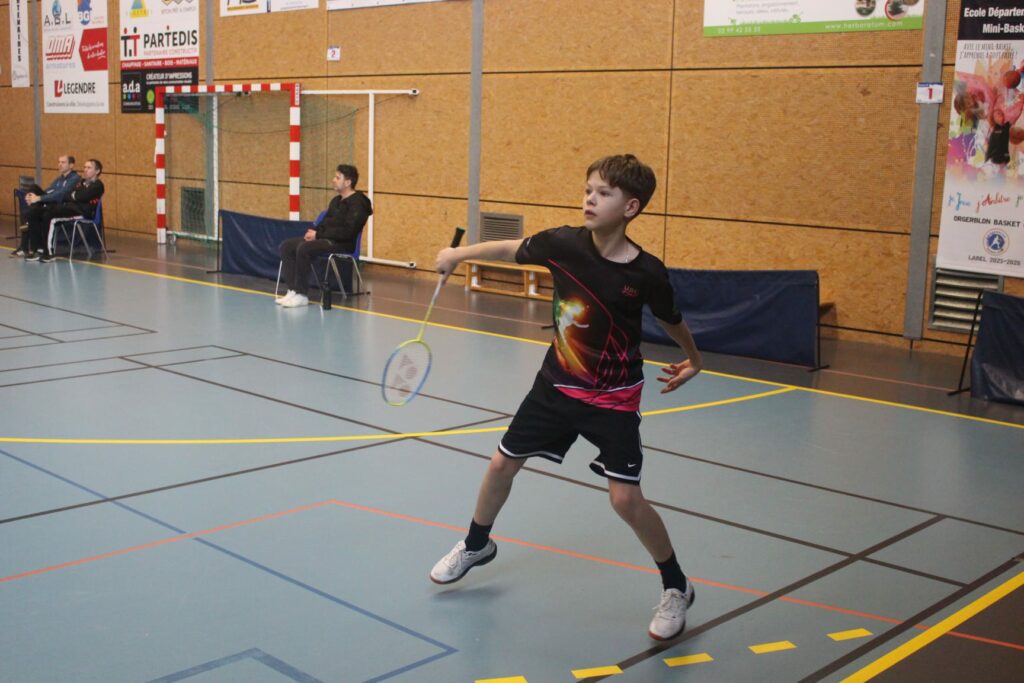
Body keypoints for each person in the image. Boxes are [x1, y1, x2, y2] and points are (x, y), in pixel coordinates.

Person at [429, 154, 703, 641]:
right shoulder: (563, 244)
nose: (590, 199)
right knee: (501, 464)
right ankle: (476, 544)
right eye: (588, 190)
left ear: (631, 207)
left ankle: (676, 585)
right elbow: (510, 248)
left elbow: (671, 319)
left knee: (625, 499)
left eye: (604, 193)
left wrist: (694, 359)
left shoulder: (646, 273)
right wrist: (458, 254)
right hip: (555, 386)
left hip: (613, 397)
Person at [276, 164, 373, 308]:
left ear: (348, 182)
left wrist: (318, 234)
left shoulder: (358, 204)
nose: (333, 180)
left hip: (342, 244)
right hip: (325, 239)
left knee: (304, 248)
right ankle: (293, 290)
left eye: (337, 178)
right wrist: (313, 232)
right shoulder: (336, 201)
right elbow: (325, 222)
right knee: (287, 246)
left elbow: (348, 232)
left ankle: (302, 295)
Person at [24, 159, 105, 264]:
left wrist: (75, 196)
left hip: (82, 212)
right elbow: (68, 195)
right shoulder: (81, 183)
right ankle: (37, 249)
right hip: (69, 208)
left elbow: (82, 196)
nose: (85, 170)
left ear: (97, 171)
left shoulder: (98, 185)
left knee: (49, 215)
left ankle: (48, 253)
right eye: (85, 167)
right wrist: (74, 196)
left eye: (89, 168)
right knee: (34, 212)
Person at [12, 155, 80, 257]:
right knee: (27, 210)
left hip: (61, 206)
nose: (59, 164)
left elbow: (60, 194)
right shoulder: (59, 179)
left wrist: (39, 198)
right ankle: (24, 246)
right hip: (51, 202)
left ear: (71, 165)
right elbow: (49, 191)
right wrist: (33, 197)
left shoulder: (75, 178)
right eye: (59, 162)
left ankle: (31, 246)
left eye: (63, 162)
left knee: (30, 210)